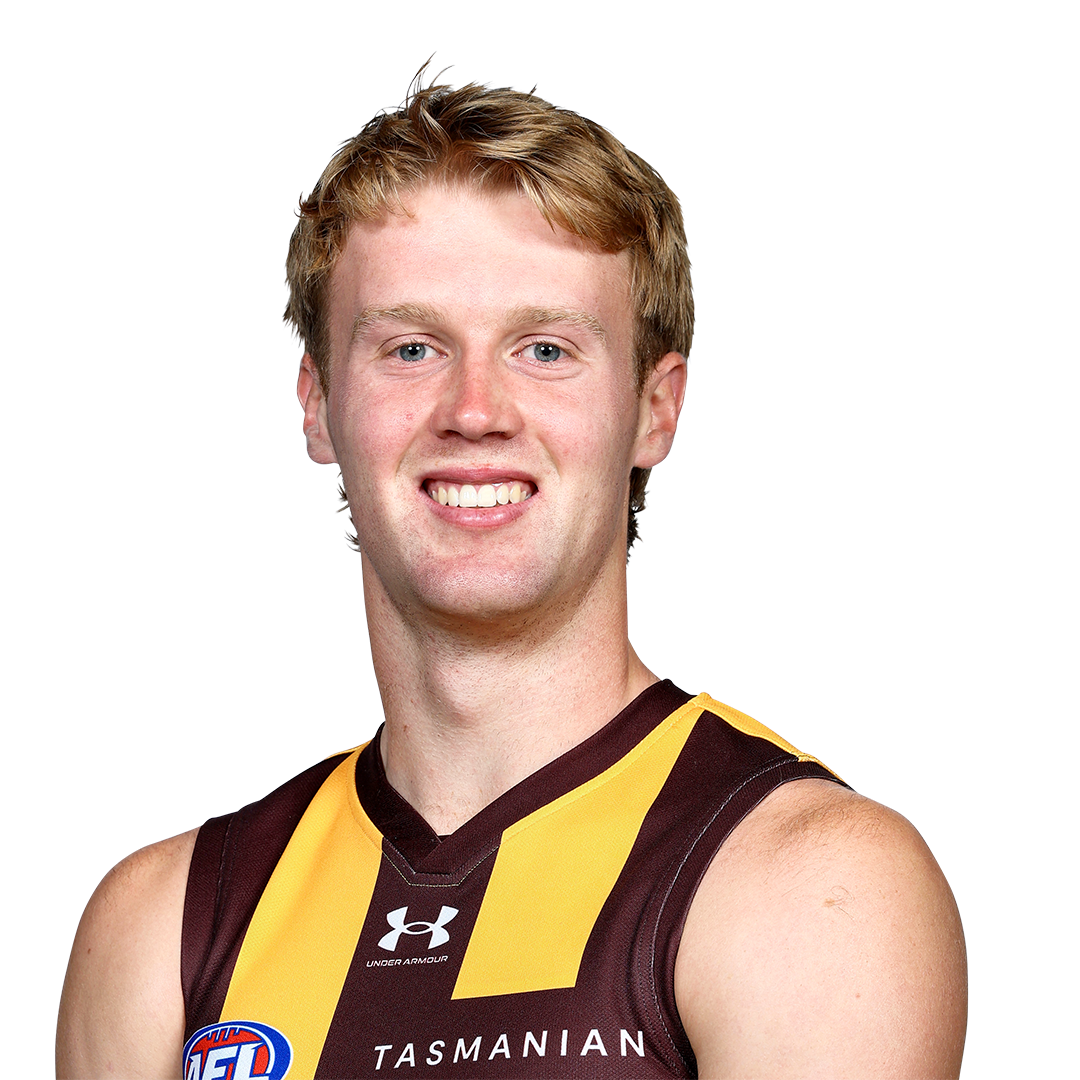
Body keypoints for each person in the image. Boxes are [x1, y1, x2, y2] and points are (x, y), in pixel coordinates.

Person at [56, 78, 967, 1080]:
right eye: (411, 347)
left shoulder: (808, 882)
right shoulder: (161, 929)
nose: (476, 410)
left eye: (544, 349)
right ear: (316, 404)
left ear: (655, 410)